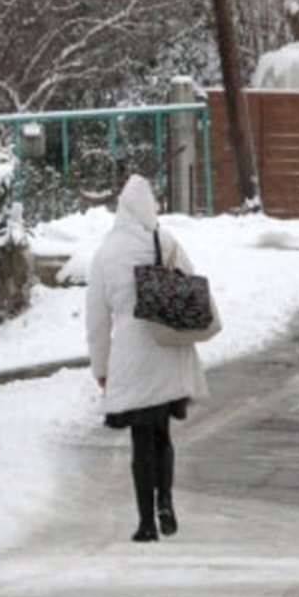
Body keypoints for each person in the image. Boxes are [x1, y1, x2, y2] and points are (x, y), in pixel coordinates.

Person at [85, 174, 210, 542]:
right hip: (166, 347)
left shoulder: (106, 254)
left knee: (141, 439)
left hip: (131, 355)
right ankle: (166, 502)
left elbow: (97, 320)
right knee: (162, 434)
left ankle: (145, 523)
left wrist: (102, 368)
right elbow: (190, 284)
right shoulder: (166, 241)